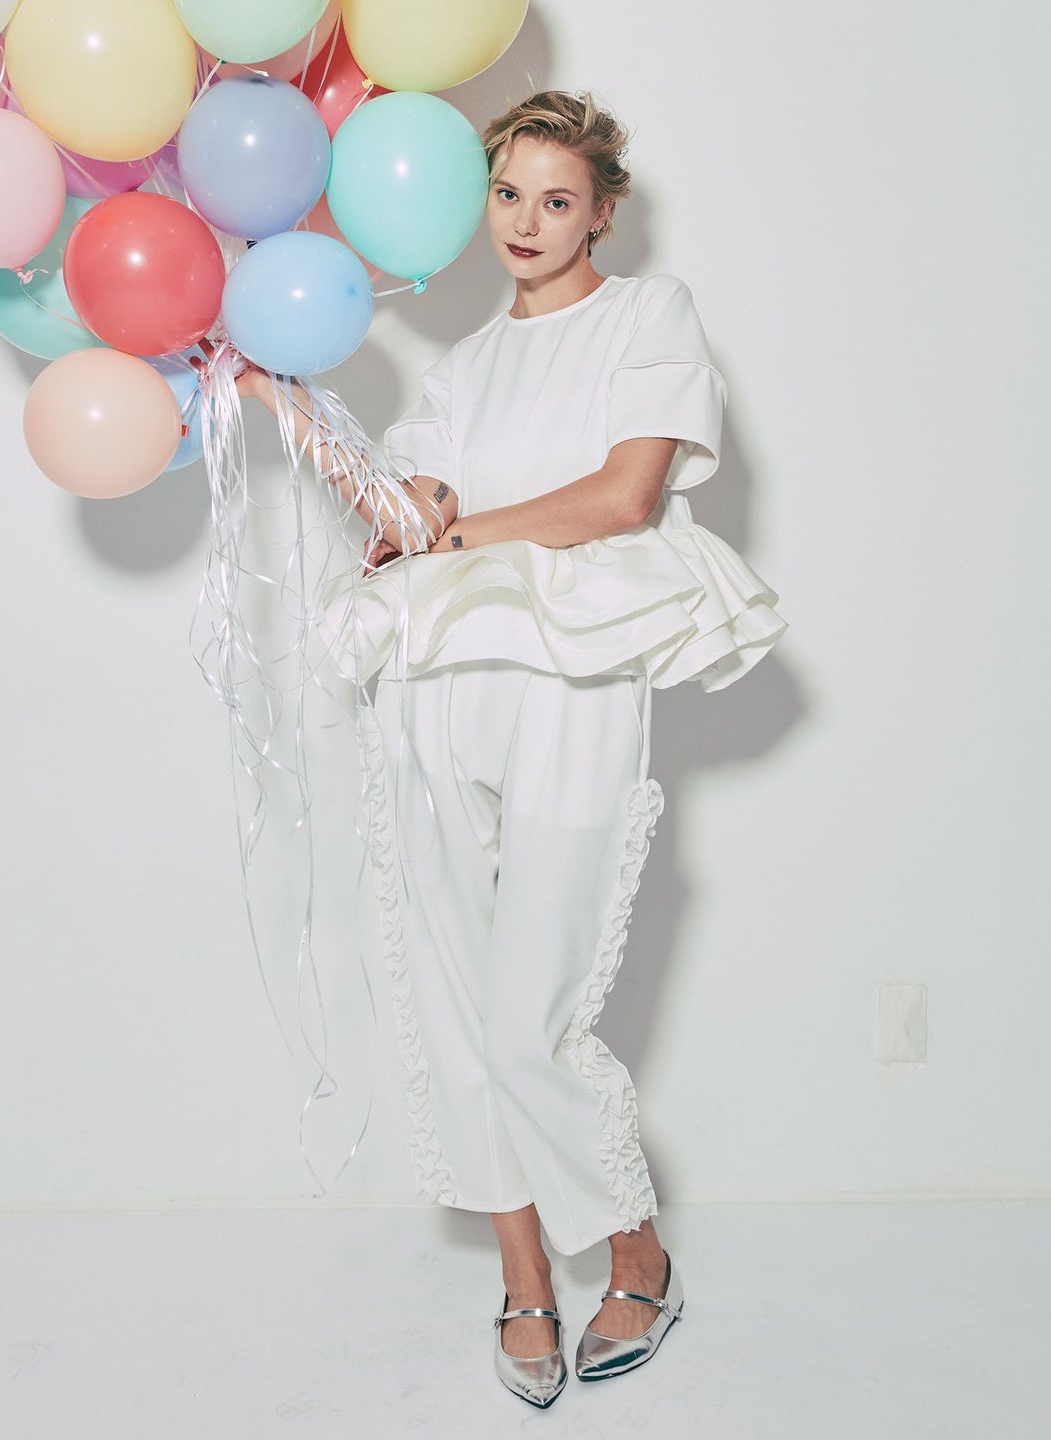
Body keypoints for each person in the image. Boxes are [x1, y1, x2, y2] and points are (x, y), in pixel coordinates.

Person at [227, 90, 787, 1409]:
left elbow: (625, 497)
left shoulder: (647, 317)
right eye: (507, 194)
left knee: (535, 1008)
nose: (527, 222)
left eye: (556, 199)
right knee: (455, 992)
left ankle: (638, 1256)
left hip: (570, 675)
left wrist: (457, 531)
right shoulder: (463, 368)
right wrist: (277, 400)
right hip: (437, 677)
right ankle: (525, 1275)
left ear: (602, 212)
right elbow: (399, 508)